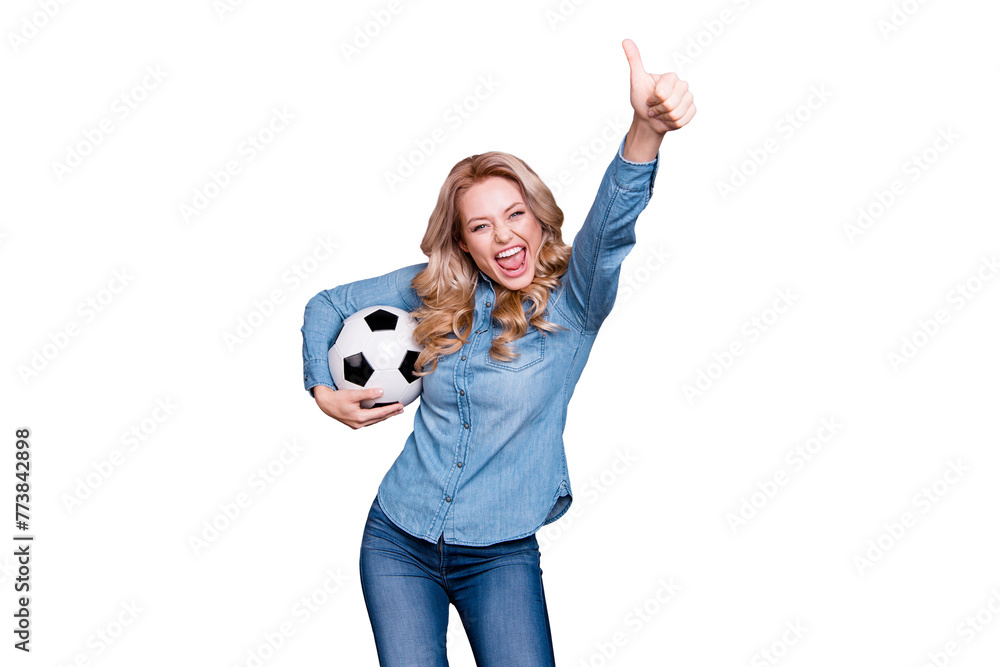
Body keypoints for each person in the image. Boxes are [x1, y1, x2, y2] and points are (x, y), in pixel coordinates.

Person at [300, 38, 694, 667]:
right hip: (397, 540)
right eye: (481, 225)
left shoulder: (574, 303)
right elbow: (325, 304)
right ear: (463, 241)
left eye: (516, 214)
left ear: (540, 220)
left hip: (499, 555)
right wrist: (322, 390)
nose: (505, 235)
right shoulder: (433, 287)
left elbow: (611, 228)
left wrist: (645, 131)